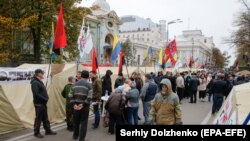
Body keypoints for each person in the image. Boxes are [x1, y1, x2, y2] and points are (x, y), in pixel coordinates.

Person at [31, 69, 56, 138]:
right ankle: (36, 132)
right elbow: (36, 94)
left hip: (43, 103)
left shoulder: (39, 81)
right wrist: (45, 99)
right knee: (38, 118)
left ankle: (48, 130)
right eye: (42, 73)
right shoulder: (35, 83)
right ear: (38, 74)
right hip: (39, 104)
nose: (43, 74)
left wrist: (45, 99)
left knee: (45, 118)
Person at [70, 70, 92, 141]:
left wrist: (74, 104)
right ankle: (81, 139)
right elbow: (89, 97)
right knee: (83, 122)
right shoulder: (89, 85)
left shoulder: (74, 84)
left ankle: (75, 135)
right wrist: (82, 104)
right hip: (84, 107)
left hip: (76, 106)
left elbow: (70, 95)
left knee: (76, 121)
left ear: (81, 76)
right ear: (88, 76)